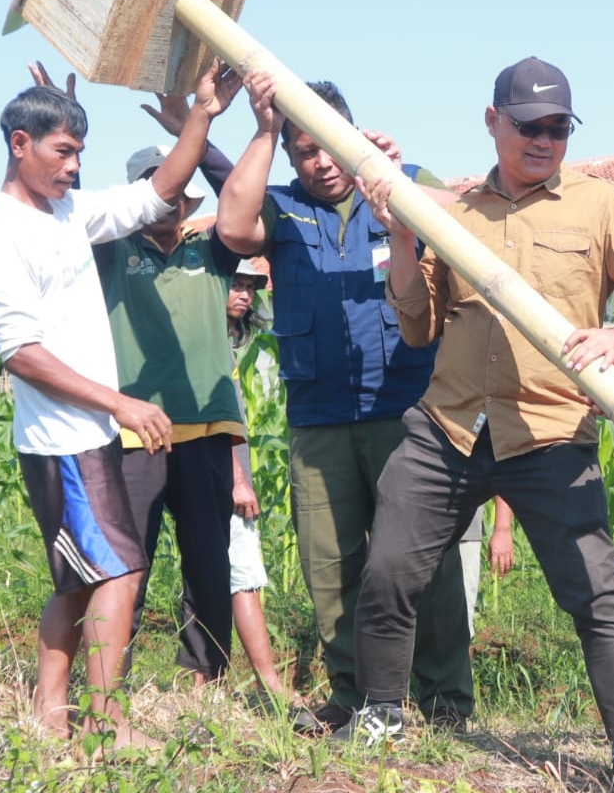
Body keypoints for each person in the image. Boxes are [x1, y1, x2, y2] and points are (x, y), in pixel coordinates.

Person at [352, 57, 614, 793]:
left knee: (598, 596)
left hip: (549, 432)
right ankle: (379, 716)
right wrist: (400, 231)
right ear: (492, 121)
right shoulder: (459, 213)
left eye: (558, 127)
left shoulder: (600, 204)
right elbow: (418, 325)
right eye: (529, 125)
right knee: (387, 571)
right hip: (450, 425)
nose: (543, 140)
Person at [193, 76, 475, 731]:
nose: (320, 162)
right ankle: (351, 695)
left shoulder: (400, 181)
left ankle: (445, 703)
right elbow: (234, 227)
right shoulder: (283, 208)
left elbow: (471, 211)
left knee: (422, 564)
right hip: (318, 422)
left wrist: (394, 184)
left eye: (329, 146)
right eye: (303, 151)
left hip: (407, 413)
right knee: (332, 565)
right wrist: (263, 130)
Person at [0, 60, 240, 749]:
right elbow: (20, 352)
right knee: (119, 569)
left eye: (79, 154)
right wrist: (119, 403)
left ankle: (49, 707)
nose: (73, 167)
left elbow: (156, 192)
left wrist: (203, 115)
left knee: (79, 576)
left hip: (85, 432)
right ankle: (107, 716)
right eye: (63, 151)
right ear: (19, 145)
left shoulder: (67, 213)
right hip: (66, 435)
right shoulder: (6, 232)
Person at [94, 144, 245, 690]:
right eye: (158, 185)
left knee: (209, 557)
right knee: (126, 560)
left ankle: (205, 675)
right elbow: (68, 211)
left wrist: (196, 134)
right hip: (134, 430)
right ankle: (111, 679)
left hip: (205, 426)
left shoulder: (214, 247)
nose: (170, 197)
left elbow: (241, 194)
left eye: (180, 186)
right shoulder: (111, 249)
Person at [223, 259, 301, 706]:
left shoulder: (228, 342)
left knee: (213, 575)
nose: (246, 295)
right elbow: (220, 414)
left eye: (251, 287)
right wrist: (239, 479)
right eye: (234, 284)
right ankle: (269, 682)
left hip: (228, 473)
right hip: (230, 480)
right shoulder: (211, 343)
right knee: (245, 575)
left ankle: (202, 678)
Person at [459, 497, 515, 637]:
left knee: (458, 625)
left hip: (464, 532)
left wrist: (502, 529)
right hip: (408, 528)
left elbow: (502, 476)